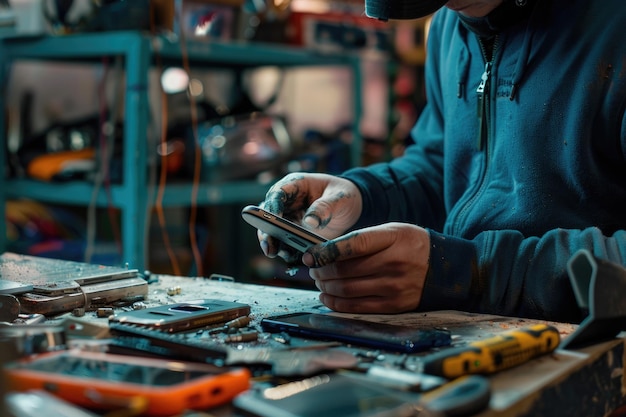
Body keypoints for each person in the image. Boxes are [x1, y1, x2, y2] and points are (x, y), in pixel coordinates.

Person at [252, 0, 626, 324]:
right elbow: (444, 170)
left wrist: (469, 273)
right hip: (479, 325)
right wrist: (363, 197)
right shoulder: (449, 25)